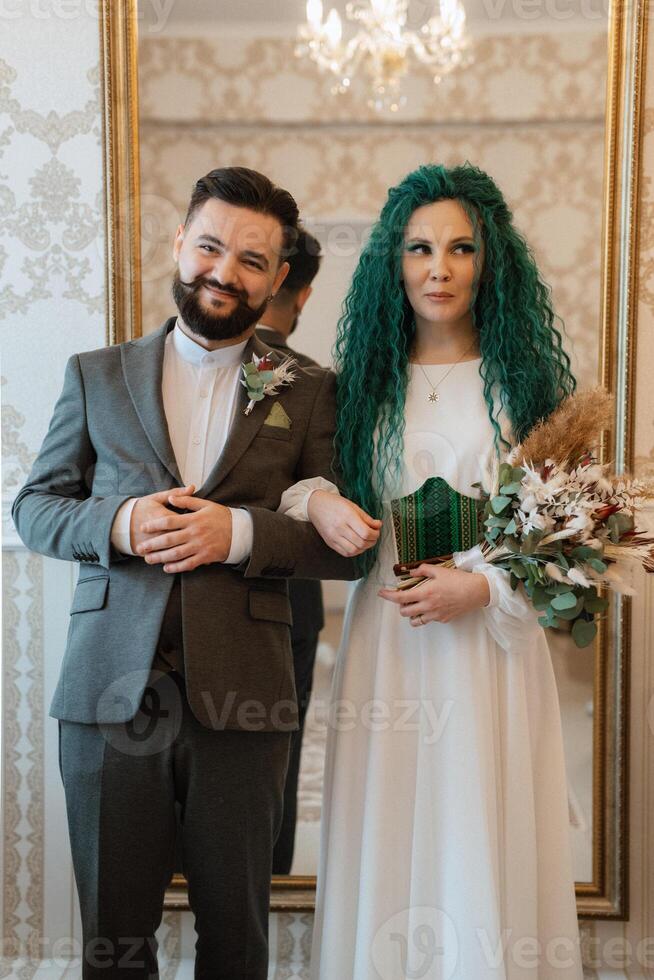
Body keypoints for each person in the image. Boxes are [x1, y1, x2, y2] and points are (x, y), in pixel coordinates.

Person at [11, 167, 375, 980]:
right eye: (209, 246)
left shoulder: (313, 391)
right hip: (107, 696)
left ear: (279, 278)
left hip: (244, 704)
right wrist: (118, 521)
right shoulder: (93, 375)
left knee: (238, 944)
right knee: (113, 942)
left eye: (252, 260)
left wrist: (241, 533)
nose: (224, 271)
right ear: (180, 244)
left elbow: (344, 547)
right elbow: (34, 509)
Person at [281, 163, 585, 979]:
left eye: (459, 248)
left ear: (490, 262)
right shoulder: (361, 394)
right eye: (419, 249)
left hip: (488, 652)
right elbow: (305, 482)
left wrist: (482, 584)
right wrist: (316, 501)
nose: (439, 268)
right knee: (390, 821)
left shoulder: (527, 391)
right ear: (394, 262)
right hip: (389, 646)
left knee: (477, 826)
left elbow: (567, 539)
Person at [256, 228, 327, 874]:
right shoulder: (317, 385)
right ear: (300, 293)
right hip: (293, 604)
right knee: (280, 756)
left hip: (287, 607)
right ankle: (270, 879)